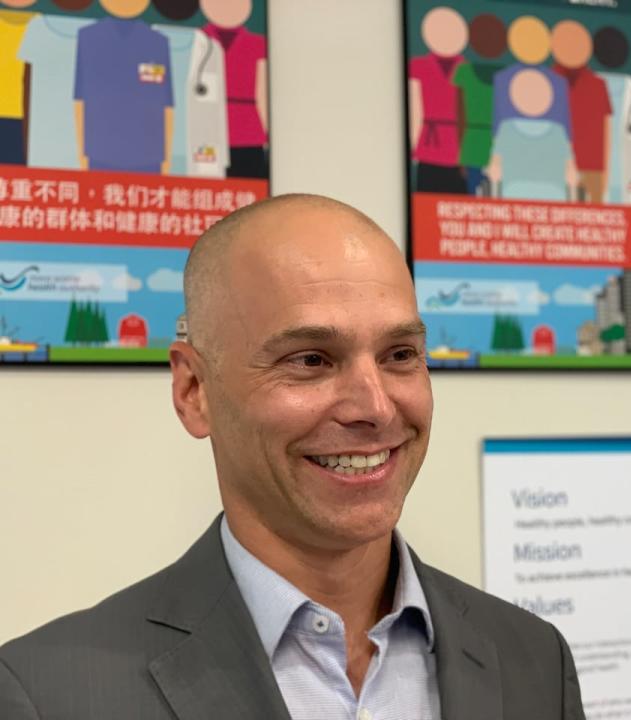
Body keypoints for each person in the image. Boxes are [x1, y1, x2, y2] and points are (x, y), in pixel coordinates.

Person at [0, 194, 586, 720]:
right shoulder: (48, 694)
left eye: (400, 354)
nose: (375, 407)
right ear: (194, 392)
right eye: (311, 359)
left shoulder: (531, 657)